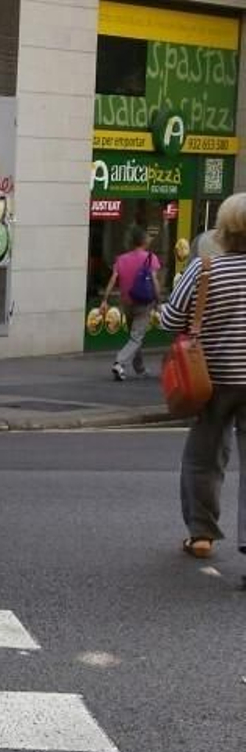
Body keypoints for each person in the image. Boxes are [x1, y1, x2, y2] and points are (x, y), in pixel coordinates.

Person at [159, 193, 246, 560]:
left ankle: (202, 534)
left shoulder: (204, 269)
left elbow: (170, 321)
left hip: (210, 379)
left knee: (203, 456)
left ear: (224, 229)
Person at [99, 229, 164, 382]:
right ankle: (119, 363)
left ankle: (139, 368)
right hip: (144, 303)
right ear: (144, 241)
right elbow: (154, 281)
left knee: (134, 336)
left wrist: (105, 299)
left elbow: (113, 279)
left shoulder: (121, 259)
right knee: (136, 337)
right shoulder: (150, 258)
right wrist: (159, 300)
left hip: (127, 302)